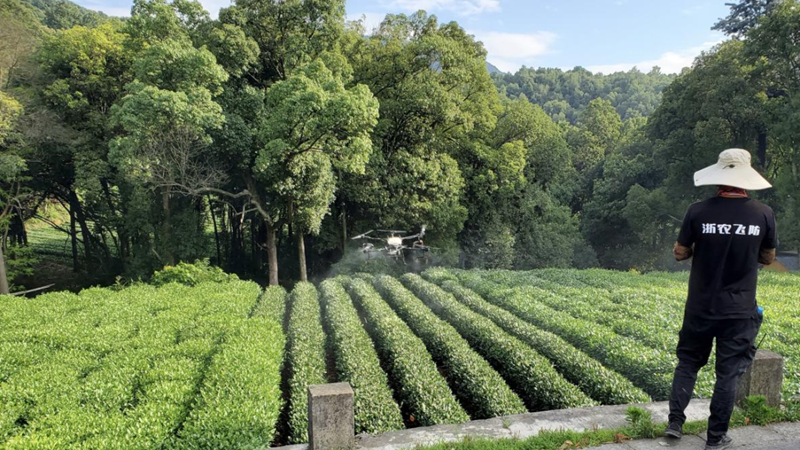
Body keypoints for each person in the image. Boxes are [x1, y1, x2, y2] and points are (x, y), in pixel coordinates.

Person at [666, 148, 777, 450]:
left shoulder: (697, 211)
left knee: (688, 363)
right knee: (727, 374)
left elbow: (679, 252)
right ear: (745, 180)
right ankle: (715, 438)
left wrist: (695, 249)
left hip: (700, 307)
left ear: (718, 179)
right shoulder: (763, 214)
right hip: (740, 311)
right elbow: (768, 257)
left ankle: (675, 423)